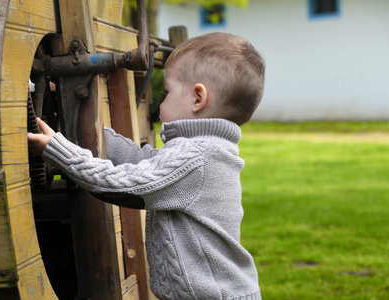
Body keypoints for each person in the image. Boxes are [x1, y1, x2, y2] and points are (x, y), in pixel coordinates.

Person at [28, 32, 265, 300]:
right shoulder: (207, 150)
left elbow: (121, 185)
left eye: (167, 91)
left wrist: (56, 150)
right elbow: (142, 161)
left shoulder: (196, 156)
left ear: (198, 98)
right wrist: (83, 129)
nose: (160, 101)